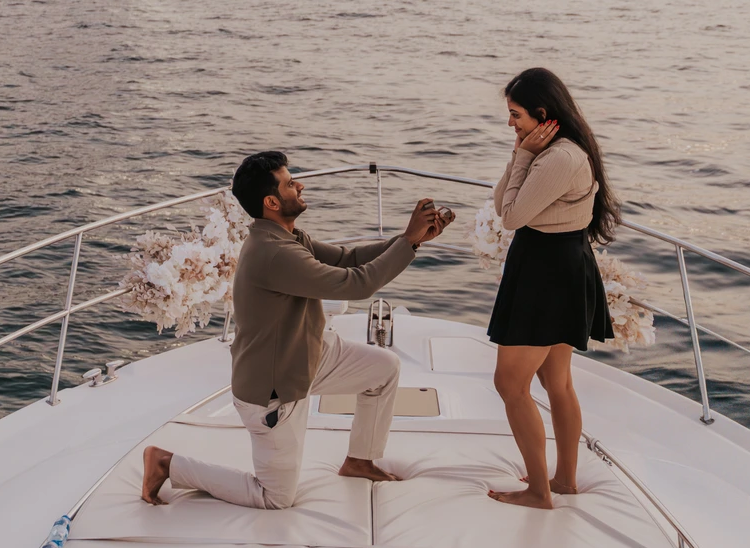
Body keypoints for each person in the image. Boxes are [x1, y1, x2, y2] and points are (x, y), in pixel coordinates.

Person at [141, 152, 452, 508]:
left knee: (383, 369)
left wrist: (410, 240)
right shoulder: (274, 253)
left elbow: (347, 259)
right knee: (275, 497)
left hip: (310, 354)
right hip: (274, 389)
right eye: (291, 183)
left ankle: (360, 460)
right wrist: (407, 242)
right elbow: (356, 284)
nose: (300, 185)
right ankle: (167, 463)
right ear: (271, 202)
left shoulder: (287, 236)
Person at [485, 67, 622, 509]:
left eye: (516, 115)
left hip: (546, 270)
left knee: (510, 384)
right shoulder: (553, 151)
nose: (511, 123)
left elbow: (509, 216)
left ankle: (540, 491)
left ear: (542, 114)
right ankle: (564, 480)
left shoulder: (559, 158)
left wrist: (523, 157)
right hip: (558, 264)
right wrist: (521, 152)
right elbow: (500, 199)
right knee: (555, 381)